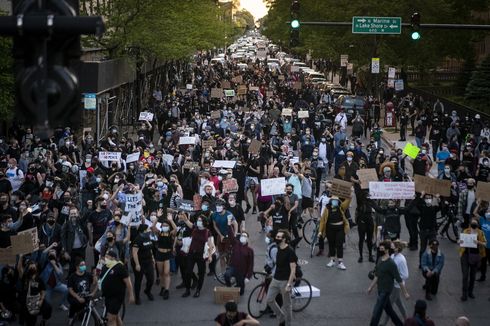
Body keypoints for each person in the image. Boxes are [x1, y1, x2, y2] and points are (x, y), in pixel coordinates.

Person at [367, 240, 410, 326]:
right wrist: (371, 287)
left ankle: (382, 323)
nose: (380, 250)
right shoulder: (386, 258)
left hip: (391, 288)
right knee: (392, 307)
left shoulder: (397, 261)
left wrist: (405, 292)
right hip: (383, 287)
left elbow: (402, 277)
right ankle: (404, 322)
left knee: (378, 310)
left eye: (392, 247)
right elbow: (378, 275)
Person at [266, 229, 297, 326]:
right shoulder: (278, 248)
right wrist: (271, 273)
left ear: (284, 239)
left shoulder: (290, 251)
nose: (276, 238)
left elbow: (293, 269)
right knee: (269, 300)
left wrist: (289, 284)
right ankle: (281, 316)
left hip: (285, 281)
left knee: (287, 306)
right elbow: (278, 265)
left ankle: (288, 324)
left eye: (279, 237)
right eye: (277, 236)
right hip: (275, 279)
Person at [99, 251, 135, 326]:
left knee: (111, 319)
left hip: (117, 297)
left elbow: (128, 282)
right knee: (116, 316)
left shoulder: (120, 267)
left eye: (107, 256)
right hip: (107, 296)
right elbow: (100, 280)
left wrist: (131, 295)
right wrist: (93, 293)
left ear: (113, 258)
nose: (105, 258)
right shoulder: (105, 267)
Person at [380, 241, 408, 325]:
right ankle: (407, 319)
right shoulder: (393, 256)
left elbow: (405, 275)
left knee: (389, 306)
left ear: (397, 248)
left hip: (396, 286)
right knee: (399, 303)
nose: (390, 248)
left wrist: (393, 278)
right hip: (392, 285)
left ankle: (384, 323)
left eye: (392, 247)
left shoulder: (401, 259)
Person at [318, 195, 351, 270]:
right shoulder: (327, 209)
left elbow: (347, 202)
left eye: (336, 200)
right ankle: (332, 260)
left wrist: (350, 196)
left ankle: (340, 262)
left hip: (340, 229)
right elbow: (322, 221)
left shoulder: (341, 207)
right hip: (330, 229)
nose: (335, 201)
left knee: (339, 244)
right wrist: (320, 231)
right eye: (333, 200)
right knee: (331, 244)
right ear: (331, 201)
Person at [459, 218, 487, 301]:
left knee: (472, 276)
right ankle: (464, 294)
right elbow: (461, 241)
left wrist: (479, 242)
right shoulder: (466, 231)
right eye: (472, 223)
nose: (474, 225)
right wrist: (460, 242)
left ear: (478, 225)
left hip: (475, 256)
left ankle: (470, 292)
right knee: (465, 276)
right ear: (470, 224)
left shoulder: (481, 233)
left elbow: (485, 243)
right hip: (465, 255)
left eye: (475, 223)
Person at [151, 210, 176, 300]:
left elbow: (176, 229)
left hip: (168, 254)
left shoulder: (171, 233)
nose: (165, 226)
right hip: (159, 254)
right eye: (164, 225)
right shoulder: (159, 232)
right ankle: (162, 287)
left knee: (166, 273)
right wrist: (157, 217)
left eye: (167, 225)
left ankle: (167, 290)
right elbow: (152, 227)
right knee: (161, 273)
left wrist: (171, 220)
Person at [224, 224, 254, 296]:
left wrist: (248, 276)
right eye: (242, 235)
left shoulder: (250, 250)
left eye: (245, 236)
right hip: (232, 267)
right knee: (226, 275)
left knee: (241, 292)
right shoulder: (235, 244)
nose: (243, 237)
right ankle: (229, 286)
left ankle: (239, 286)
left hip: (242, 271)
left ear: (247, 239)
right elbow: (231, 236)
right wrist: (229, 225)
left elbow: (251, 264)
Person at [67, 258, 96, 325]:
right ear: (77, 267)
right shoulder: (72, 276)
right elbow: (70, 289)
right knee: (75, 304)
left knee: (83, 318)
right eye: (82, 265)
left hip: (85, 297)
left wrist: (94, 275)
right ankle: (71, 317)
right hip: (75, 297)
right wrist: (78, 297)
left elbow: (94, 283)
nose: (84, 266)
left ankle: (79, 312)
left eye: (84, 264)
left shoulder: (87, 274)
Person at [131, 223, 155, 305]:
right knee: (138, 280)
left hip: (148, 261)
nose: (149, 230)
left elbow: (150, 249)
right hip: (139, 262)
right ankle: (137, 297)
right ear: (144, 230)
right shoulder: (138, 239)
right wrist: (137, 264)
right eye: (148, 229)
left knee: (151, 279)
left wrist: (152, 258)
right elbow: (134, 253)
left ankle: (147, 291)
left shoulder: (147, 237)